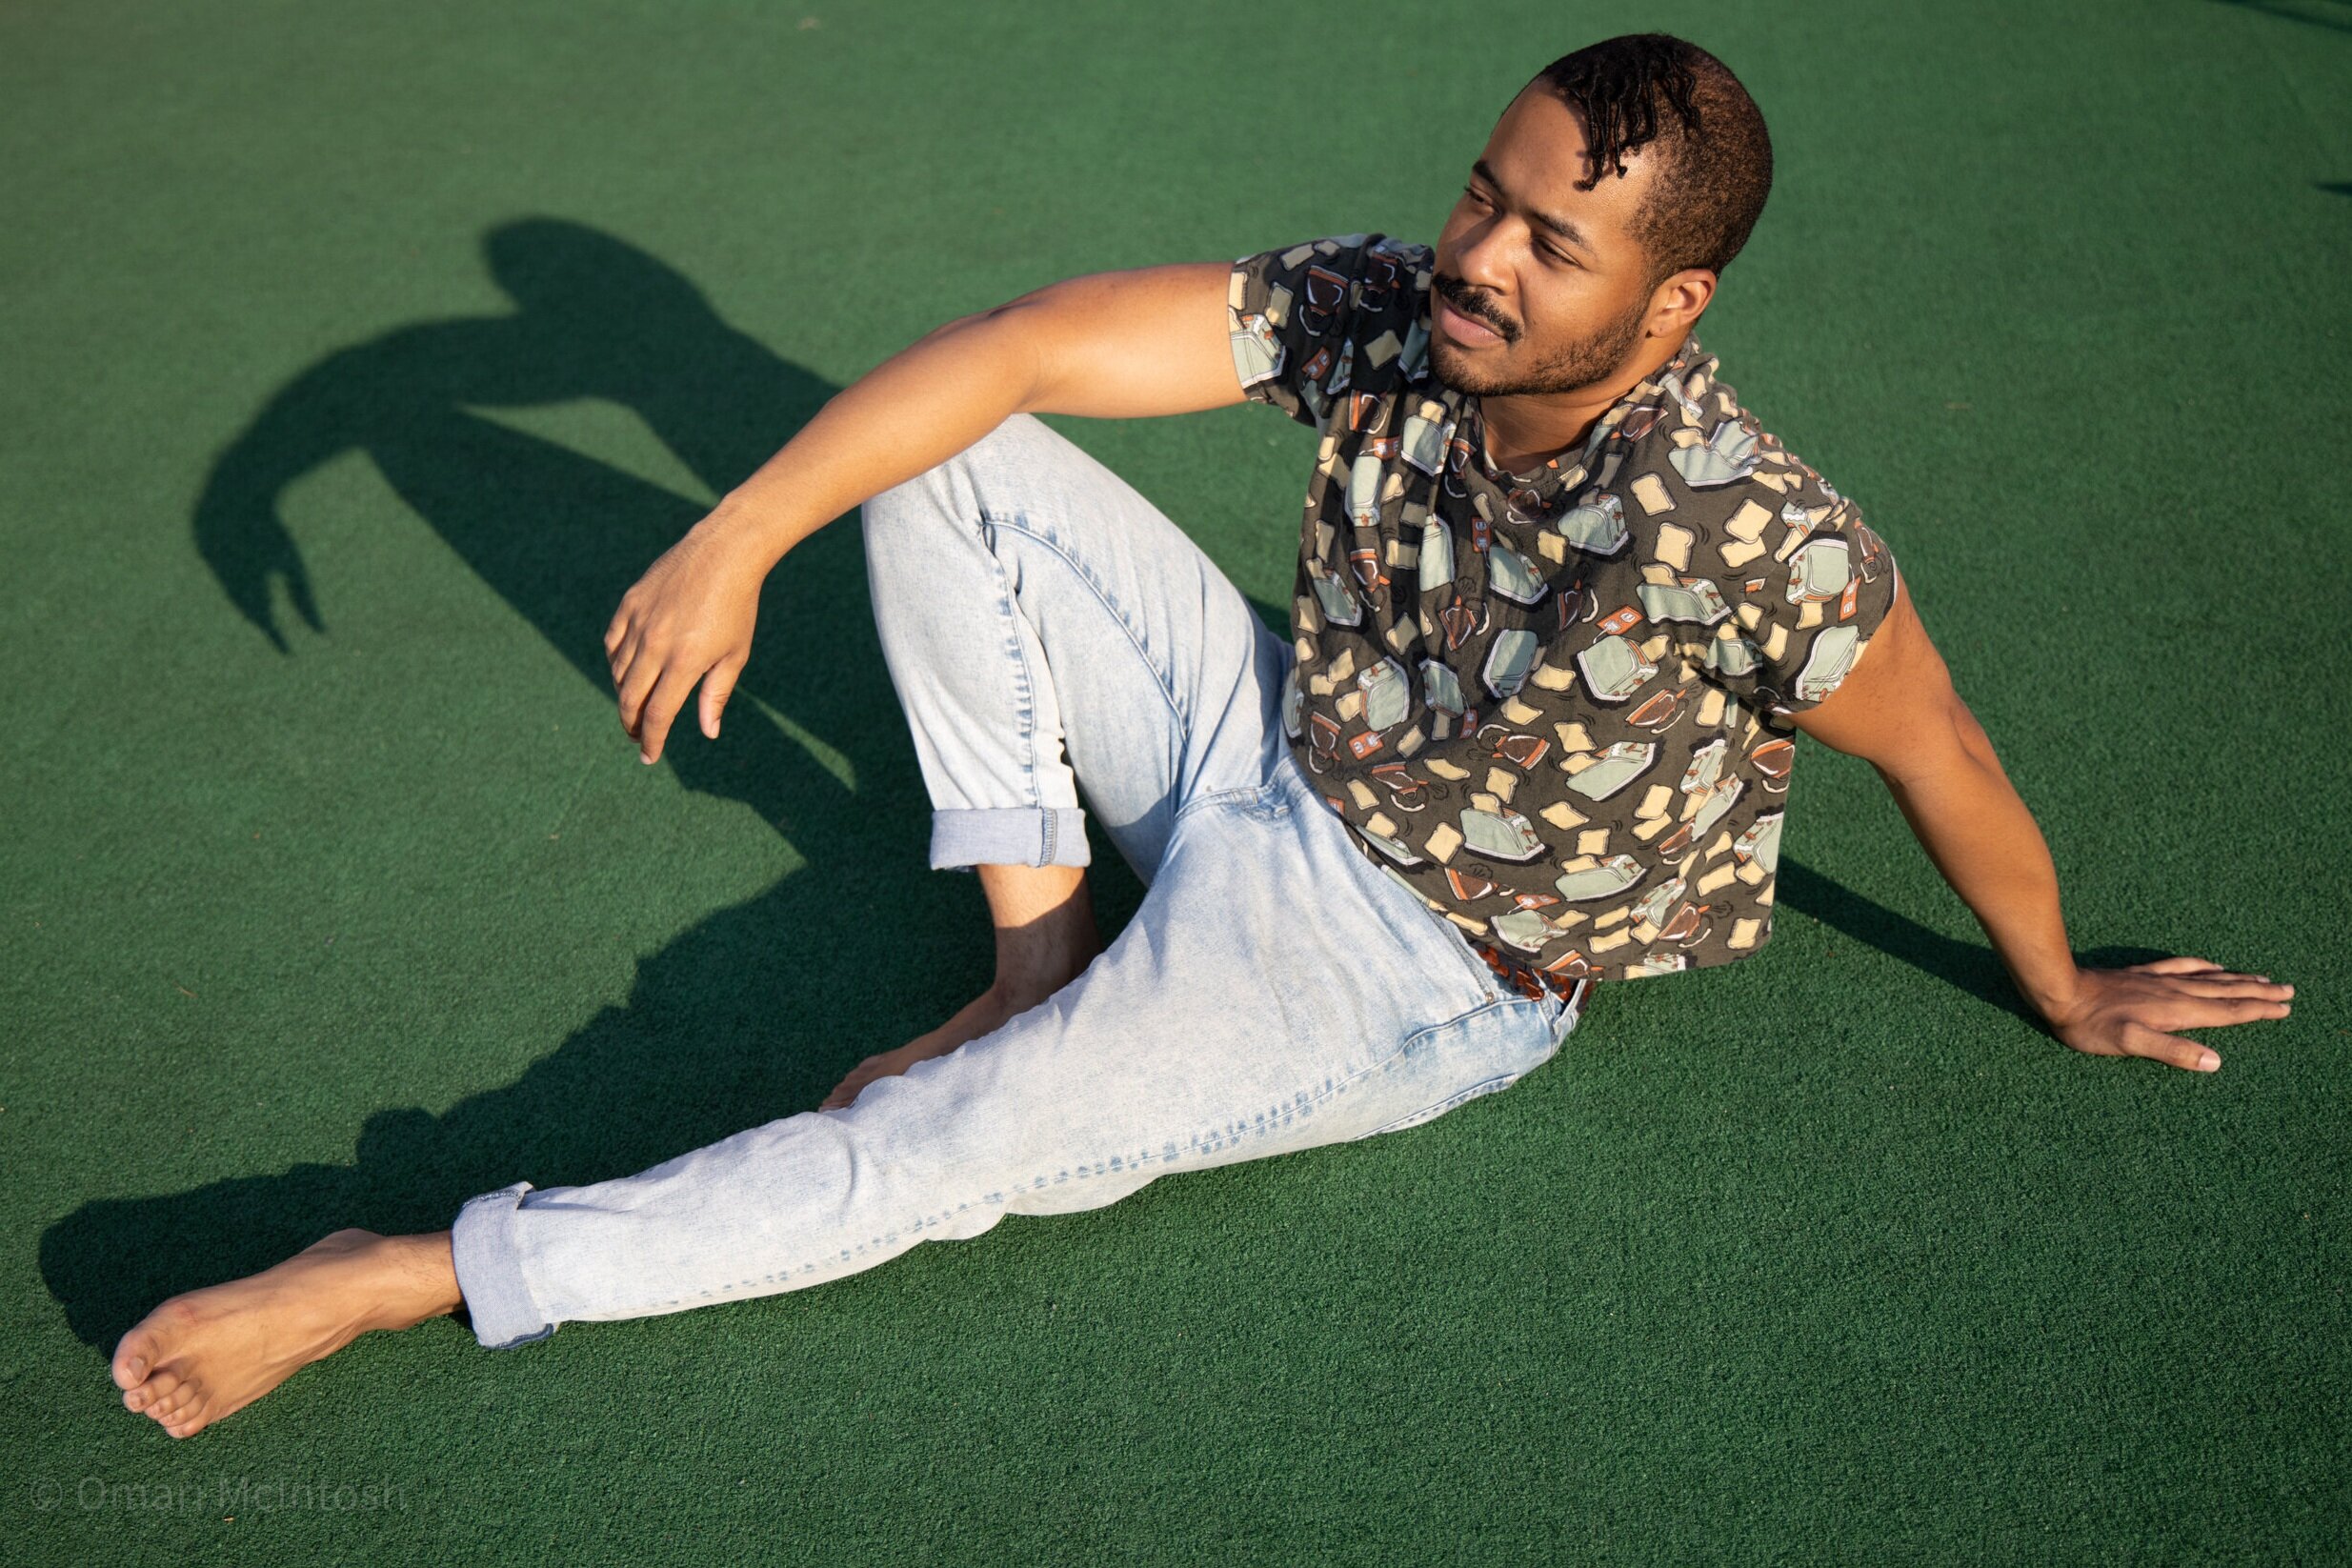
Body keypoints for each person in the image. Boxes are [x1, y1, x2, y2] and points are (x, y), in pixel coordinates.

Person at [110, 32, 2290, 1439]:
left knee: (939, 1157)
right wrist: (743, 526)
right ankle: (1033, 955)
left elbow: (1942, 752)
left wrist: (2059, 980)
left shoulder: (1747, 533)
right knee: (954, 450)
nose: (1477, 256)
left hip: (1415, 956)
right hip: (1271, 741)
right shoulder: (1393, 312)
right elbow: (1023, 345)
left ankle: (416, 1268)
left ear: (1668, 300)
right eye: (1482, 191)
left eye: (1548, 244)